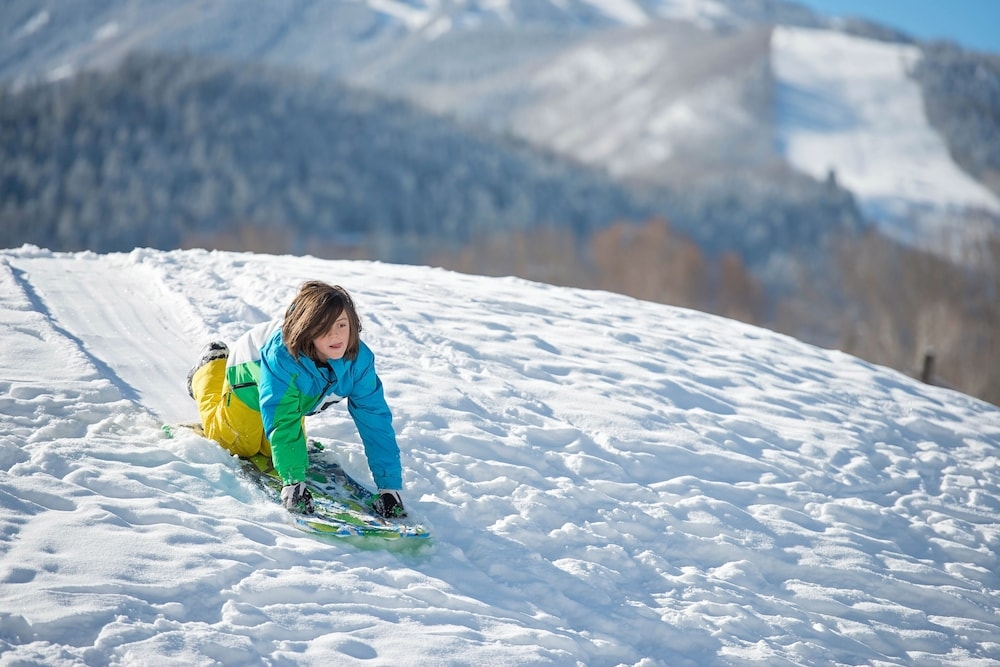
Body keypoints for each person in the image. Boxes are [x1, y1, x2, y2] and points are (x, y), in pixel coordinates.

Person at [186, 281, 406, 518]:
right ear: (307, 329)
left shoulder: (359, 362)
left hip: (296, 399)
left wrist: (388, 486)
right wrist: (293, 481)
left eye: (342, 325)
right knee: (239, 445)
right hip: (248, 376)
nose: (336, 335)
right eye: (323, 328)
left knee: (272, 453)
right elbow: (282, 419)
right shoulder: (284, 358)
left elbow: (375, 420)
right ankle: (211, 367)